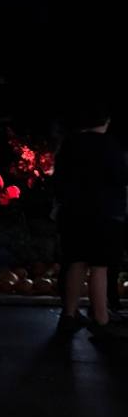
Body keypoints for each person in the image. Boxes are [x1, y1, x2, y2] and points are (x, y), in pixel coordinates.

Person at [53, 102, 128, 344]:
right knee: (100, 267)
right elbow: (121, 178)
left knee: (75, 262)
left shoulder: (70, 144)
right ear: (106, 121)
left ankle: (69, 314)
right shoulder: (112, 147)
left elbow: (59, 179)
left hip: (73, 213)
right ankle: (101, 319)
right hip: (104, 214)